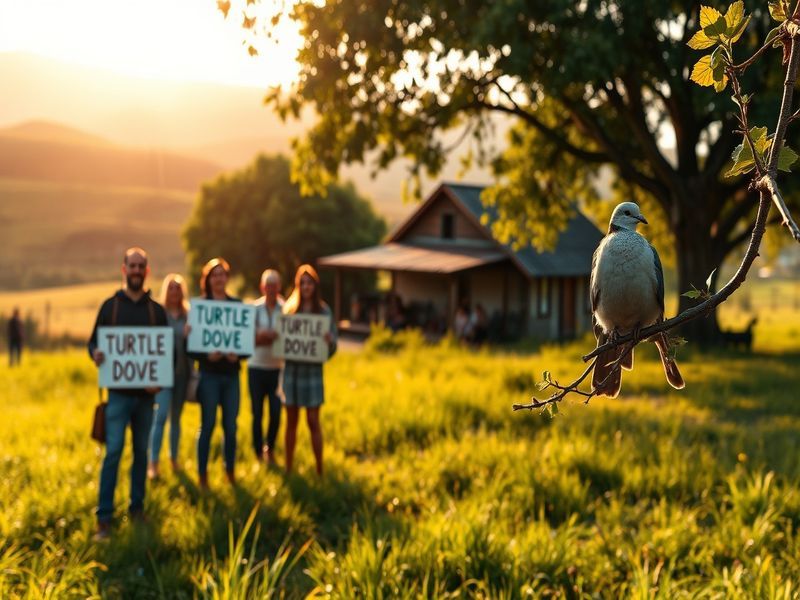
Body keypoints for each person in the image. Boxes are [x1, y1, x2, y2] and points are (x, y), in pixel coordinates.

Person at [88, 247, 167, 540]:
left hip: (146, 399)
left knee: (141, 454)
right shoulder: (110, 307)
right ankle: (104, 518)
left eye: (140, 266)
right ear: (124, 270)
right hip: (118, 396)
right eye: (131, 265)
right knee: (113, 453)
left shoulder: (156, 311)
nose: (136, 270)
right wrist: (95, 354)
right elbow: (93, 342)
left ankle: (137, 510)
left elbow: (166, 353)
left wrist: (159, 382)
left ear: (147, 271)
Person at [193, 258, 245, 489]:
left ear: (227, 278)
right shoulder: (200, 308)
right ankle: (202, 475)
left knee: (230, 427)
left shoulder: (237, 306)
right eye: (214, 275)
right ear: (208, 279)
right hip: (209, 376)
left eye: (222, 274)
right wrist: (206, 356)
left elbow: (245, 345)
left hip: (231, 376)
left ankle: (229, 471)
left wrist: (238, 356)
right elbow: (192, 348)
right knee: (207, 425)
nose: (218, 279)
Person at [282, 264, 337, 476]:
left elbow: (332, 348)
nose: (306, 287)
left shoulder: (324, 311)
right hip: (292, 373)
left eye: (309, 283)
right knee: (291, 421)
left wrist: (329, 342)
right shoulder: (289, 310)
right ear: (298, 285)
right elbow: (282, 343)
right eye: (302, 283)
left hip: (313, 374)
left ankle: (319, 469)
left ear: (315, 285)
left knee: (313, 421)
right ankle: (288, 467)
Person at [147, 274, 192, 479]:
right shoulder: (159, 314)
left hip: (182, 373)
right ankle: (153, 463)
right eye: (171, 288)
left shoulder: (188, 315)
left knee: (176, 419)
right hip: (163, 375)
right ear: (166, 291)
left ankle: (173, 459)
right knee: (160, 416)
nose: (174, 292)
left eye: (178, 288)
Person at [248, 269, 284, 466]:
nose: (271, 289)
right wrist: (263, 336)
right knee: (257, 412)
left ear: (279, 287)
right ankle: (257, 451)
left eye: (274, 285)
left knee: (276, 412)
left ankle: (270, 447)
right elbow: (248, 339)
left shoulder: (286, 308)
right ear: (263, 287)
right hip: (256, 368)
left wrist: (266, 337)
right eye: (268, 285)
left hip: (277, 369)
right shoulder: (254, 309)